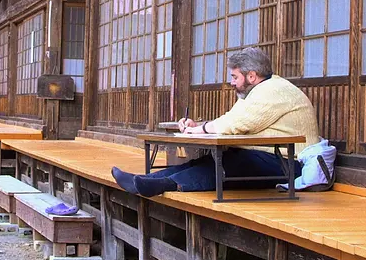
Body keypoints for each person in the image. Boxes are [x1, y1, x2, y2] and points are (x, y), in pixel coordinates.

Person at [111, 47, 321, 197]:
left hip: (290, 165)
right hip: (274, 158)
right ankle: (146, 180)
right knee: (206, 162)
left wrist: (201, 129)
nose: (231, 83)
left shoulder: (274, 90)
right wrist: (197, 127)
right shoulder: (259, 91)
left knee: (230, 163)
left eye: (234, 77)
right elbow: (231, 119)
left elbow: (238, 124)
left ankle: (164, 184)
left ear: (251, 76)